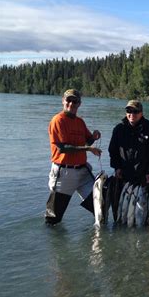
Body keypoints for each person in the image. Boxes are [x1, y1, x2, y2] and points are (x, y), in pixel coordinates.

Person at [45, 89, 102, 225]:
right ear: (63, 101)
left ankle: (97, 239)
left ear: (79, 104)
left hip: (82, 173)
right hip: (64, 173)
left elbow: (86, 141)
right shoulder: (58, 120)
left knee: (99, 206)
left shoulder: (79, 122)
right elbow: (63, 148)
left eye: (74, 101)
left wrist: (93, 137)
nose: (71, 104)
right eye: (68, 100)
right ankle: (54, 244)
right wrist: (88, 148)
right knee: (53, 219)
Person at [109, 99, 149, 185]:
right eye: (129, 111)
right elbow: (113, 151)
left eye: (135, 111)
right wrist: (117, 167)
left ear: (141, 113)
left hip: (143, 178)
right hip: (122, 176)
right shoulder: (118, 129)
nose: (132, 114)